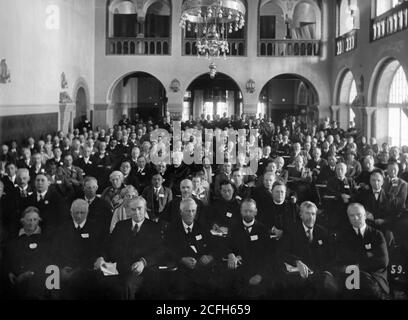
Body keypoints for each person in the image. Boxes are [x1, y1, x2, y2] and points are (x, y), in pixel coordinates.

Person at [94, 197, 164, 299]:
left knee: (125, 285)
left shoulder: (154, 227)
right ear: (128, 211)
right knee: (96, 277)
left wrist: (143, 262)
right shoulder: (120, 226)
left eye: (140, 208)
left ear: (145, 209)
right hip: (117, 269)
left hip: (142, 272)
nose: (137, 212)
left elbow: (160, 251)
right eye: (133, 209)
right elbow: (108, 246)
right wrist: (101, 257)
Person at [277, 201, 338, 299]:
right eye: (307, 213)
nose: (311, 217)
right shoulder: (291, 230)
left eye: (313, 214)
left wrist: (327, 272)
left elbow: (330, 255)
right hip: (300, 277)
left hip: (319, 275)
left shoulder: (322, 232)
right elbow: (281, 252)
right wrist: (297, 261)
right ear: (301, 215)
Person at [164, 198, 217, 299]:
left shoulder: (201, 226)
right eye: (188, 211)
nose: (190, 214)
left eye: (193, 211)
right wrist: (181, 259)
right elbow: (167, 249)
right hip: (181, 271)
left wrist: (209, 256)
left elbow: (214, 245)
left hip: (201, 269)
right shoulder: (172, 228)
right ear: (181, 212)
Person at [335, 203, 390, 299]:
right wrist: (368, 256)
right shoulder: (343, 236)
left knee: (368, 288)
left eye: (358, 214)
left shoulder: (377, 235)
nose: (356, 218)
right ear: (348, 217)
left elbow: (383, 261)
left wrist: (358, 264)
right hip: (352, 276)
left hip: (374, 276)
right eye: (352, 216)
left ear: (365, 215)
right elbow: (343, 258)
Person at [54, 199, 105, 299]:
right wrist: (60, 268)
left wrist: (101, 258)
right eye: (76, 213)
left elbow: (102, 248)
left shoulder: (96, 227)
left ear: (87, 212)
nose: (79, 216)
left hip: (88, 271)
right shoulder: (63, 228)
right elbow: (56, 251)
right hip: (66, 269)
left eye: (82, 213)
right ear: (71, 212)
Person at [224, 199, 272, 298]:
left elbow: (268, 256)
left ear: (256, 212)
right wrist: (230, 254)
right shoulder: (234, 228)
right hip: (238, 272)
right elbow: (227, 245)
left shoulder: (263, 230)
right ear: (241, 211)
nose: (247, 213)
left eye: (250, 211)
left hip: (256, 272)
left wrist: (260, 275)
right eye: (245, 211)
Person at [3, 207, 52, 299]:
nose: (32, 223)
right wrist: (9, 273)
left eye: (35, 219)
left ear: (39, 220)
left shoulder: (45, 240)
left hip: (39, 281)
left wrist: (29, 274)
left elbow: (47, 261)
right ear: (22, 221)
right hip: (16, 282)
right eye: (29, 220)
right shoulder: (14, 239)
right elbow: (6, 260)